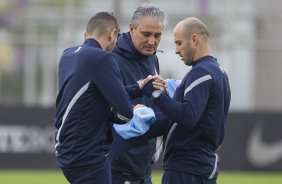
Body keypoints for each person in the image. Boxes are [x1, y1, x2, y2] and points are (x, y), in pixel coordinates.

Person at [54, 12, 152, 184]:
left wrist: (137, 89)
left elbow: (93, 94)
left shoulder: (67, 55)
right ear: (112, 34)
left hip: (65, 150)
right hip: (88, 155)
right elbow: (125, 114)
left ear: (86, 35)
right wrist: (133, 110)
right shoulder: (103, 59)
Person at [138, 17, 231, 184]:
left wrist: (157, 95)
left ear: (194, 39)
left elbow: (188, 116)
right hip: (200, 166)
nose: (176, 50)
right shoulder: (219, 72)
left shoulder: (201, 72)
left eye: (179, 43)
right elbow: (187, 118)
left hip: (187, 168)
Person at [110, 3, 167, 184]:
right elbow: (101, 106)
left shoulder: (153, 58)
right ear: (132, 29)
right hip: (117, 168)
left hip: (144, 167)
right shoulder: (110, 58)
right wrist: (130, 108)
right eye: (146, 34)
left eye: (157, 35)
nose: (152, 41)